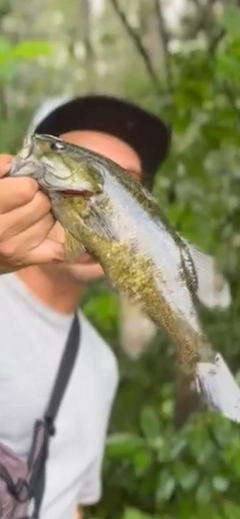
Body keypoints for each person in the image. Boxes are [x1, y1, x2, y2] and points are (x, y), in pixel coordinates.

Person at [0, 94, 170, 519]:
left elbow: (67, 498)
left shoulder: (99, 365)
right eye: (86, 173)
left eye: (125, 187)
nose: (99, 204)